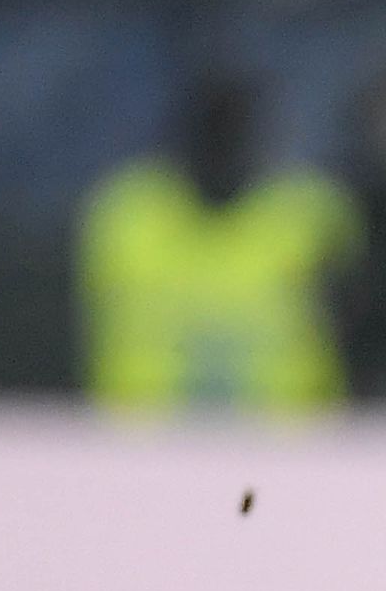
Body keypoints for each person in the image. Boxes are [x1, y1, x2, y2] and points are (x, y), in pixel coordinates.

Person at [76, 68, 357, 417]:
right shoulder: (124, 214)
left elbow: (365, 335)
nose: (220, 151)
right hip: (138, 446)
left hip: (289, 451)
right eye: (209, 135)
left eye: (232, 136)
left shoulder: (310, 216)